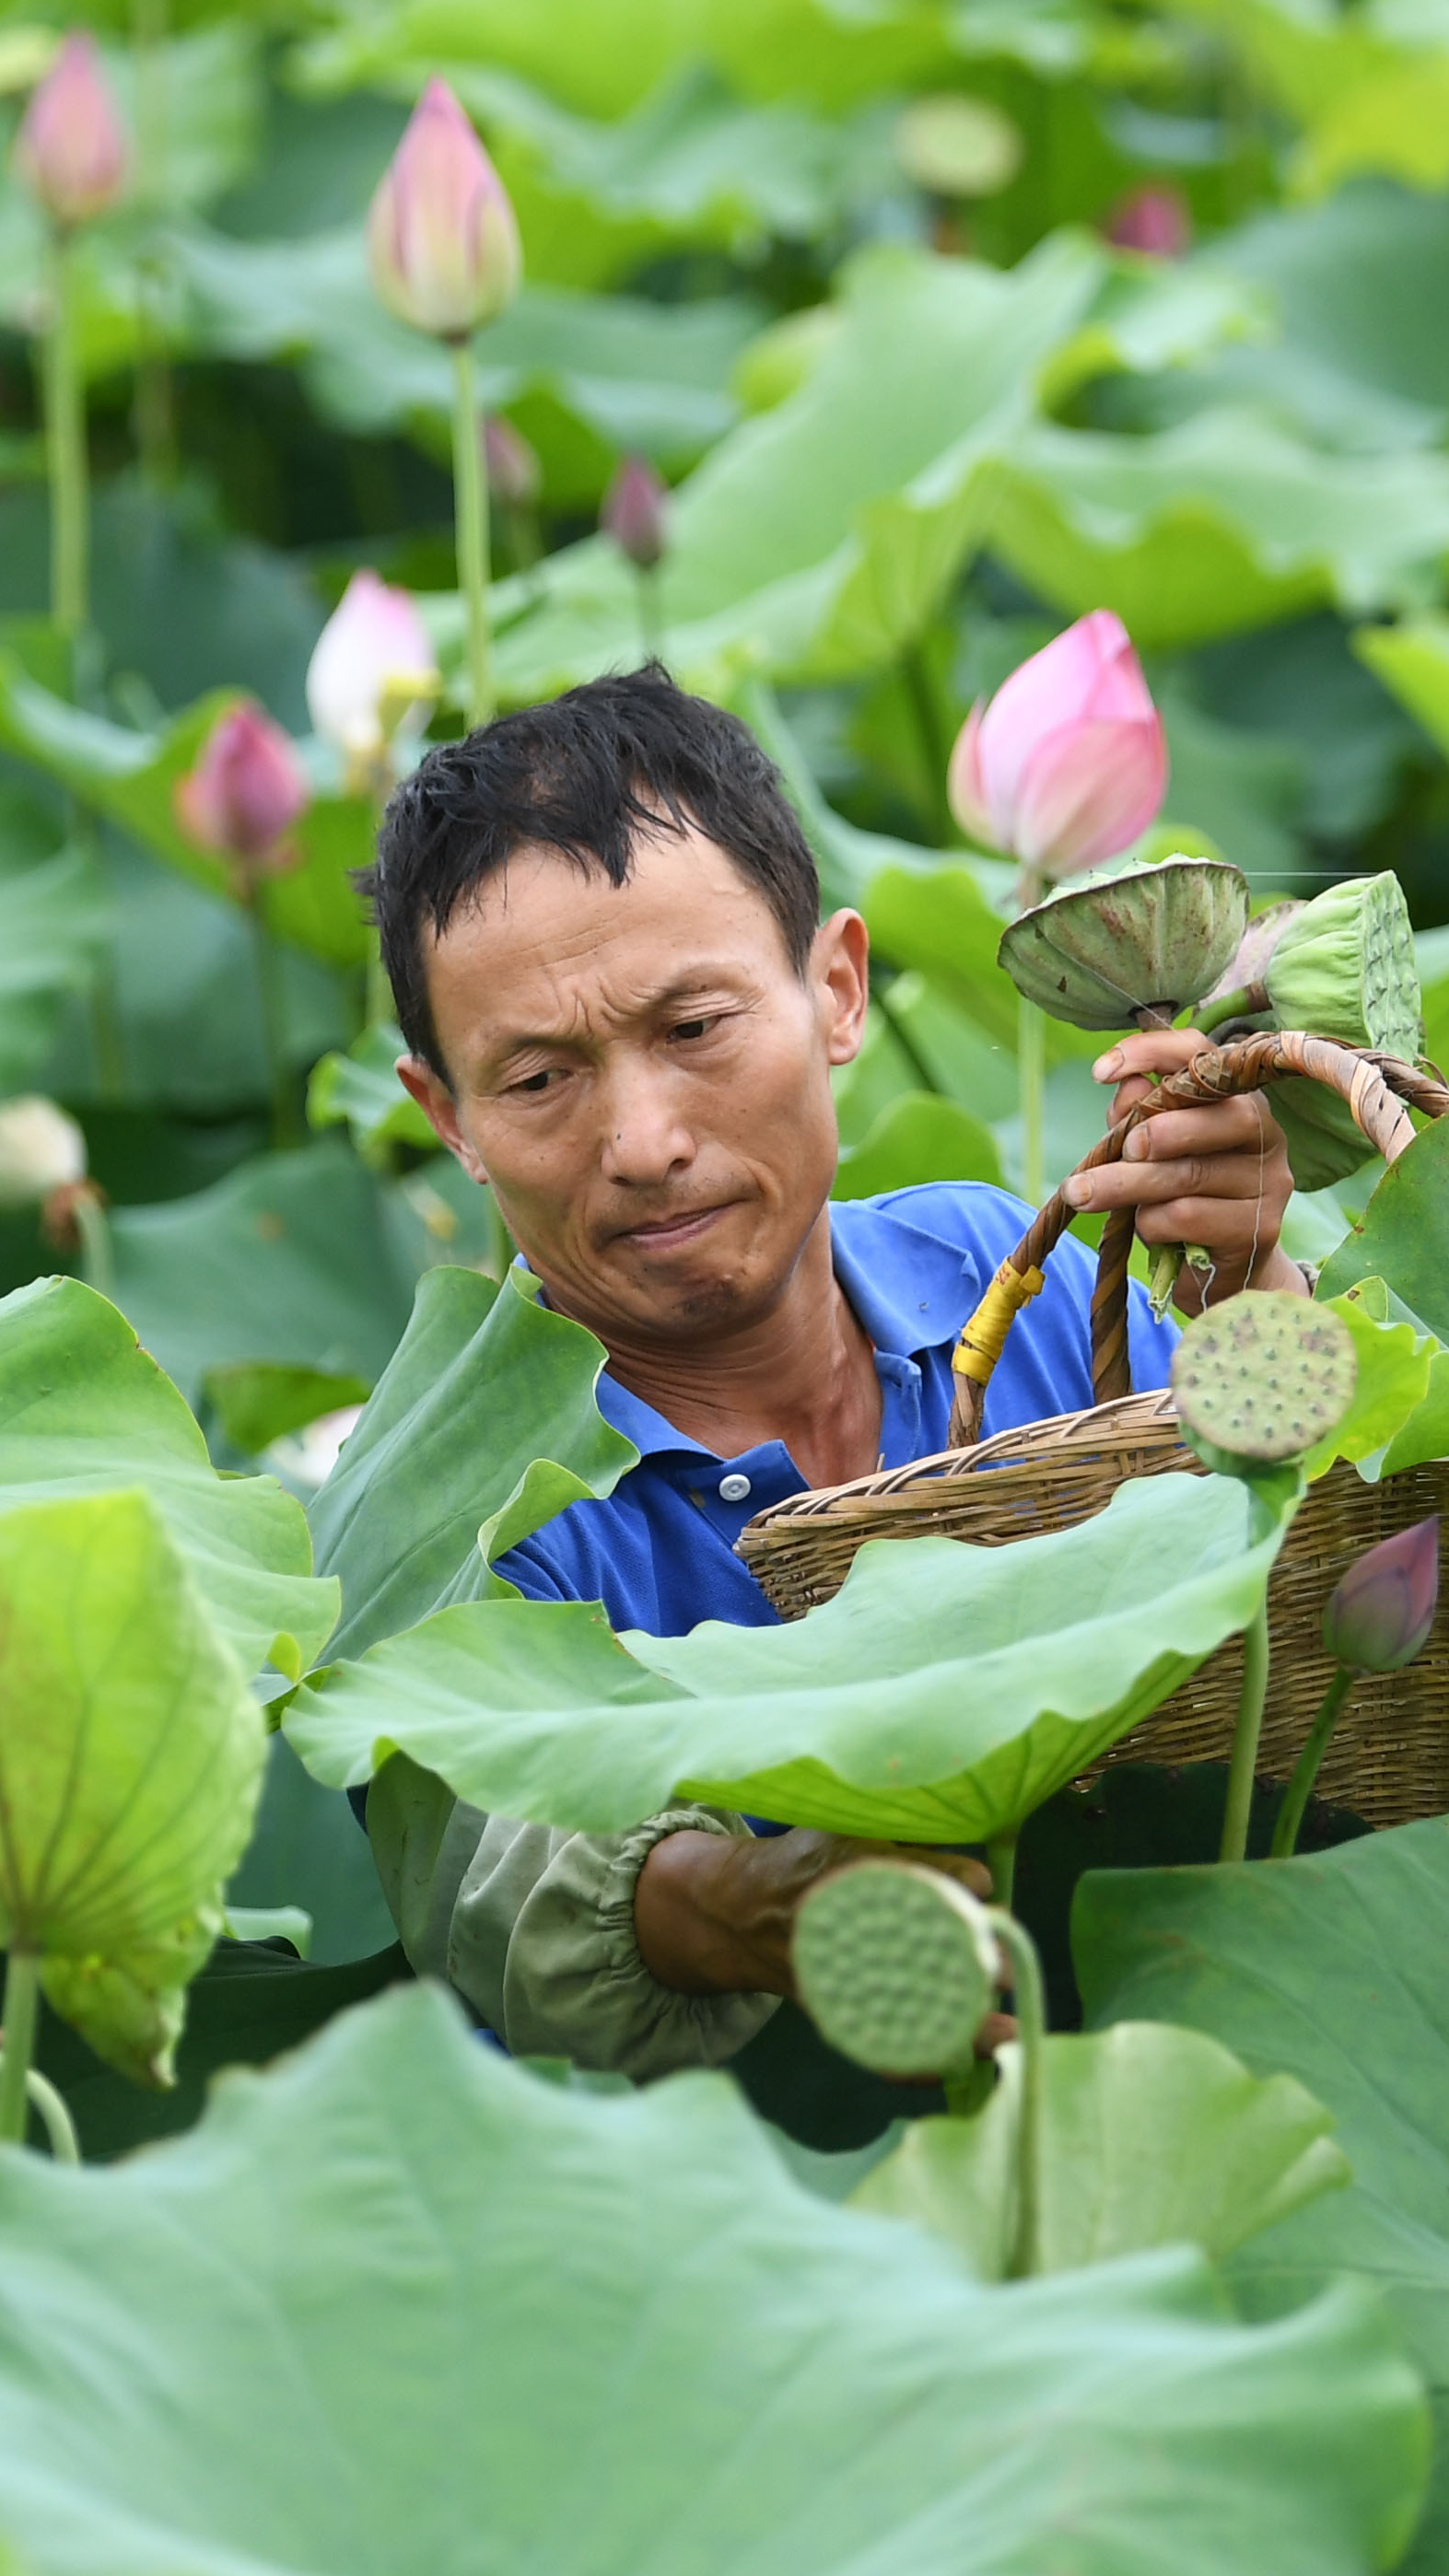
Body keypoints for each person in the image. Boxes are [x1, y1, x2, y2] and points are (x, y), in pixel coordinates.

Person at [359, 668, 1303, 2074]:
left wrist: (1248, 1293)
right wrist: (733, 1909)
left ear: (838, 991)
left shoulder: (1018, 1272)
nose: (643, 1141)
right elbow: (490, 1873)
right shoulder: (446, 1496)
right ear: (448, 1118)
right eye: (541, 1079)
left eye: (693, 1030)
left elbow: (1333, 1606)